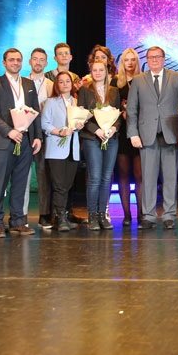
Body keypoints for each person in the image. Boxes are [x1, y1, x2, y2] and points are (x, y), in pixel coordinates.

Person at [126, 46, 178, 229]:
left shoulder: (176, 77)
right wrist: (133, 133)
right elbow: (131, 109)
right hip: (147, 135)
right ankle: (148, 216)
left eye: (158, 57)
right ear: (146, 60)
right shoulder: (138, 80)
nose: (154, 60)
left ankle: (169, 215)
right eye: (151, 57)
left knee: (170, 178)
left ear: (164, 58)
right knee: (148, 178)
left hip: (171, 134)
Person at [0, 48, 43, 237]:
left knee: (20, 182)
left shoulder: (29, 84)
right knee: (0, 183)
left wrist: (37, 137)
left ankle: (18, 221)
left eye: (18, 60)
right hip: (4, 140)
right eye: (11, 60)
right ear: (4, 63)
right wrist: (9, 131)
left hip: (25, 140)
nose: (15, 63)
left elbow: (35, 111)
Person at [78, 60, 121, 230]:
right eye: (94, 70)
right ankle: (93, 216)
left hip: (111, 138)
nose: (97, 73)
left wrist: (113, 129)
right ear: (91, 72)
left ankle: (103, 214)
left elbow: (118, 116)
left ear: (106, 71)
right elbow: (81, 115)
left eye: (100, 70)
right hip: (92, 138)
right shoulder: (85, 90)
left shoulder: (114, 91)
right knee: (95, 177)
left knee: (106, 177)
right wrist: (96, 130)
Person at [40, 71, 83, 232]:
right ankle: (59, 218)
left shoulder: (77, 102)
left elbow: (79, 123)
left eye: (68, 81)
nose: (65, 84)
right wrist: (59, 131)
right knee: (59, 186)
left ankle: (63, 215)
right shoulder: (51, 102)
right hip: (56, 149)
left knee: (67, 185)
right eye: (61, 82)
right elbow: (44, 124)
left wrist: (80, 125)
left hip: (73, 149)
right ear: (57, 85)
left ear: (72, 84)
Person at [24, 47, 54, 228]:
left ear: (46, 63)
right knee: (23, 174)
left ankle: (44, 214)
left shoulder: (51, 84)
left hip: (44, 133)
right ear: (30, 61)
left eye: (42, 59)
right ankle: (21, 215)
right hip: (25, 132)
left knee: (43, 174)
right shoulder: (21, 82)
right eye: (35, 59)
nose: (38, 62)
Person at [116, 48, 143, 227]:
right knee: (123, 174)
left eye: (133, 59)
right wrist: (122, 112)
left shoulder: (143, 81)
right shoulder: (115, 83)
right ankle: (127, 215)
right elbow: (110, 107)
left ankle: (141, 214)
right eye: (127, 59)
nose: (130, 63)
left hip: (140, 133)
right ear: (122, 62)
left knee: (140, 175)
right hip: (122, 134)